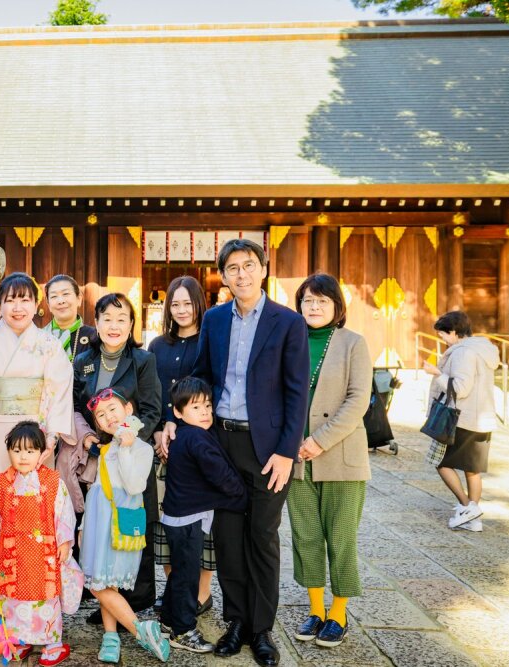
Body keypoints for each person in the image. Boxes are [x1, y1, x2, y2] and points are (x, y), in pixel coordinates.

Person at [191, 238, 308, 667]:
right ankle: (236, 621)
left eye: (248, 265)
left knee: (261, 536)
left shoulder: (287, 322)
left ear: (263, 269)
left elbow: (297, 396)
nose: (241, 274)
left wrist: (286, 452)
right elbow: (202, 375)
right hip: (222, 443)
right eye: (232, 268)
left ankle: (261, 630)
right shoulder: (216, 319)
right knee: (227, 538)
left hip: (267, 449)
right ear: (223, 275)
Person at [287, 273, 373, 650]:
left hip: (340, 456)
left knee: (340, 537)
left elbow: (357, 400)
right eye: (307, 300)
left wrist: (318, 441)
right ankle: (316, 609)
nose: (314, 306)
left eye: (322, 300)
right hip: (294, 459)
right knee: (305, 536)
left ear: (338, 306)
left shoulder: (353, 343)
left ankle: (339, 613)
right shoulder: (289, 341)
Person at [72, 293, 162, 620]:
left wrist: (125, 435)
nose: (114, 325)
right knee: (100, 528)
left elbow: (152, 409)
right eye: (107, 318)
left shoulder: (142, 360)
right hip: (96, 457)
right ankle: (108, 599)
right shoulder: (82, 360)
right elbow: (76, 407)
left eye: (121, 318)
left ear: (131, 324)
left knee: (133, 527)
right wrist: (88, 436)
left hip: (130, 455)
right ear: (96, 323)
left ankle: (134, 604)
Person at [0, 421, 84, 667]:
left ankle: (52, 642)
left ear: (41, 452)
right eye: (17, 450)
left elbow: (64, 515)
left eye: (30, 451)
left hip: (44, 553)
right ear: (8, 450)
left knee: (46, 595)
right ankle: (19, 638)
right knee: (13, 596)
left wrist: (64, 541)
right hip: (13, 553)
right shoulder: (2, 483)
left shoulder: (53, 482)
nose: (23, 457)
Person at [79, 388, 170, 664]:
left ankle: (138, 629)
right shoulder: (106, 449)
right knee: (101, 581)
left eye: (112, 409)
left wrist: (128, 448)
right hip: (98, 519)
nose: (108, 417)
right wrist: (84, 525)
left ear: (128, 409)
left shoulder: (140, 448)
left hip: (119, 519)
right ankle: (111, 635)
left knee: (103, 583)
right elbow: (96, 487)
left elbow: (134, 485)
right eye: (101, 415)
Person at [160, 377, 246, 654]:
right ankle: (183, 631)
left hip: (176, 515)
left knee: (180, 572)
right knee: (187, 577)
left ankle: (169, 619)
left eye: (208, 405)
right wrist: (242, 497)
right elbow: (220, 475)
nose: (206, 412)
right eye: (196, 407)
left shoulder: (184, 434)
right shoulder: (197, 439)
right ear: (177, 412)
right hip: (187, 519)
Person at [148, 276, 216, 617]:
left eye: (188, 303)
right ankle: (176, 588)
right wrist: (160, 428)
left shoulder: (209, 341)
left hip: (197, 446)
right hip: (164, 446)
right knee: (166, 522)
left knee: (201, 525)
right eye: (175, 304)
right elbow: (152, 391)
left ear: (199, 304)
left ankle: (201, 593)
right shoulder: (158, 345)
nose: (182, 310)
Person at [0, 272, 73, 480]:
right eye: (10, 300)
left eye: (25, 300)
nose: (18, 308)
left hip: (36, 438)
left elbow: (60, 392)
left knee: (34, 500)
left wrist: (51, 437)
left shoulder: (50, 345)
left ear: (36, 305)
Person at [423, 310, 499, 532]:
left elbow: (460, 388)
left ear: (454, 332)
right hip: (482, 418)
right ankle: (473, 520)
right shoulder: (482, 349)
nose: (442, 340)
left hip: (462, 418)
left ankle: (468, 507)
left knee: (441, 463)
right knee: (471, 469)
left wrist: (436, 373)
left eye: (443, 335)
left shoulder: (463, 353)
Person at [43, 274, 96, 362]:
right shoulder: (37, 337)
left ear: (79, 299)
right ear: (48, 305)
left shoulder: (95, 337)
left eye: (66, 294)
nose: (60, 301)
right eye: (54, 296)